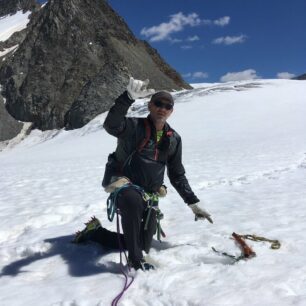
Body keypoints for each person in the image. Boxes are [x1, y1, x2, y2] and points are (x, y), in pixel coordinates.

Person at [74, 77, 213, 271]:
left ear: (171, 111)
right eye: (158, 103)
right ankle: (135, 260)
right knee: (132, 202)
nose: (162, 108)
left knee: (139, 242)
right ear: (150, 105)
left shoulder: (173, 139)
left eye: (167, 106)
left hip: (150, 193)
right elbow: (111, 125)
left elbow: (176, 173)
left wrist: (193, 203)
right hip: (123, 185)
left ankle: (96, 233)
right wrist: (127, 98)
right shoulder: (132, 126)